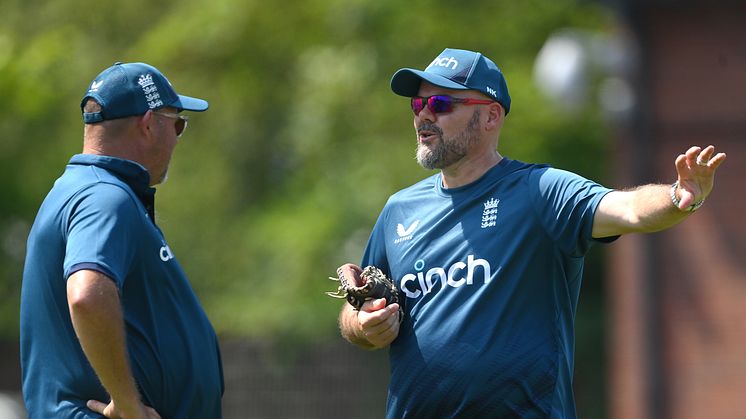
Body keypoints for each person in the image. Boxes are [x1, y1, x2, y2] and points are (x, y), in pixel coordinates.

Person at [336, 48, 726, 418]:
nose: (424, 117)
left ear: (490, 117)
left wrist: (679, 197)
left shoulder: (539, 191)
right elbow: (355, 312)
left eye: (440, 104)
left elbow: (627, 210)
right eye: (418, 105)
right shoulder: (399, 210)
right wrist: (364, 324)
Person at [20, 62, 224, 418]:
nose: (178, 136)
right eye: (177, 123)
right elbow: (86, 294)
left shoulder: (91, 190)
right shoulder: (104, 197)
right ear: (148, 124)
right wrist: (129, 405)